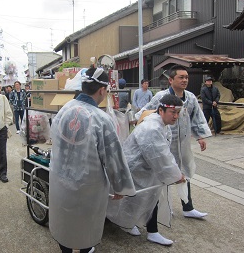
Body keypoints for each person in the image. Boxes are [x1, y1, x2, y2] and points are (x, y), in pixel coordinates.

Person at [49, 67, 136, 253]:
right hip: (88, 185)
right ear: (102, 90)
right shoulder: (102, 119)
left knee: (65, 222)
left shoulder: (64, 110)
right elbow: (114, 157)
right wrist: (120, 186)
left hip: (61, 180)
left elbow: (55, 143)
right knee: (85, 225)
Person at [107, 94, 186, 246]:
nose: (176, 116)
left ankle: (148, 229)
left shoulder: (161, 125)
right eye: (173, 112)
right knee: (132, 200)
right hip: (136, 169)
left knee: (148, 199)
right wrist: (176, 175)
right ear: (161, 110)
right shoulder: (151, 127)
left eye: (178, 112)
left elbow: (164, 153)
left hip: (147, 170)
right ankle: (128, 224)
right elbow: (161, 155)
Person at [135, 65, 212, 219]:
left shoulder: (190, 98)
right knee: (163, 174)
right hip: (164, 143)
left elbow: (197, 117)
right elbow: (144, 113)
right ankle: (163, 207)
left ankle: (188, 207)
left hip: (182, 143)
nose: (185, 80)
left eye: (186, 77)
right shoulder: (161, 97)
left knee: (184, 173)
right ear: (171, 80)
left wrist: (200, 137)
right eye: (181, 77)